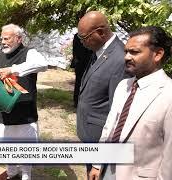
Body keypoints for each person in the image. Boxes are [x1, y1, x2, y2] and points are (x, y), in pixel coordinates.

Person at [89, 26, 172, 180]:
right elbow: (109, 128)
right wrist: (97, 164)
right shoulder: (124, 86)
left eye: (134, 52)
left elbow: (169, 158)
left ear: (158, 54)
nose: (126, 57)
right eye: (126, 51)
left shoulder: (168, 94)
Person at [0, 24, 48, 180]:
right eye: (1, 38)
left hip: (24, 111)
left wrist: (12, 69)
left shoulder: (30, 53)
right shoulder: (1, 55)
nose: (2, 41)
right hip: (4, 108)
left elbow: (42, 65)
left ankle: (25, 174)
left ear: (18, 38)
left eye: (6, 38)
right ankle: (11, 172)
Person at [76, 11, 128, 174]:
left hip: (100, 138)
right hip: (90, 133)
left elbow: (118, 111)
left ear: (101, 32)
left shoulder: (120, 59)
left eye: (84, 38)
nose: (82, 43)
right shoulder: (99, 51)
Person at [70, 33, 93, 107]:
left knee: (87, 82)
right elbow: (75, 49)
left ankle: (83, 101)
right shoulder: (77, 36)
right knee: (78, 82)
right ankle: (76, 101)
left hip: (88, 62)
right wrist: (75, 59)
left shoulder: (91, 36)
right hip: (80, 62)